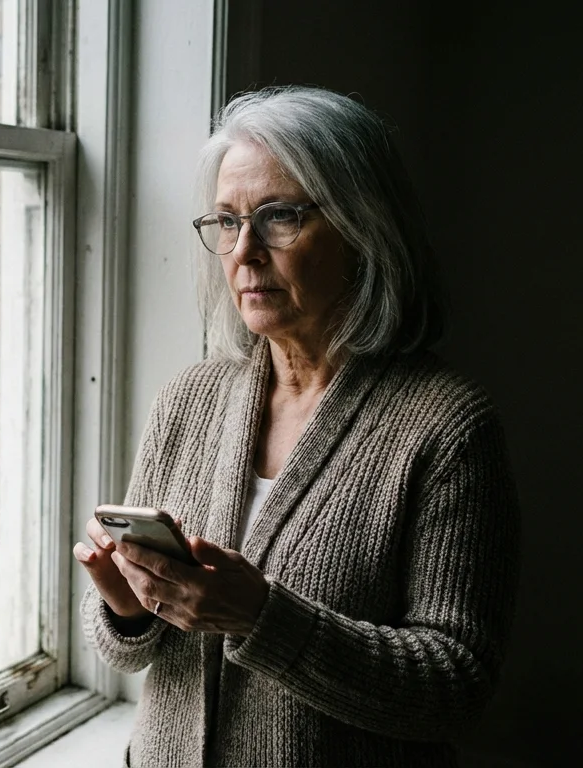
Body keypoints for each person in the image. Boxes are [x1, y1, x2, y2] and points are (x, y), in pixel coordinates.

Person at [74, 86, 521, 767]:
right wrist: (127, 606)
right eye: (226, 221)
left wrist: (260, 617)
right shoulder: (188, 399)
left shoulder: (447, 428)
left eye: (279, 216)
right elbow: (126, 649)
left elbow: (456, 688)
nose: (244, 251)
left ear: (363, 228)